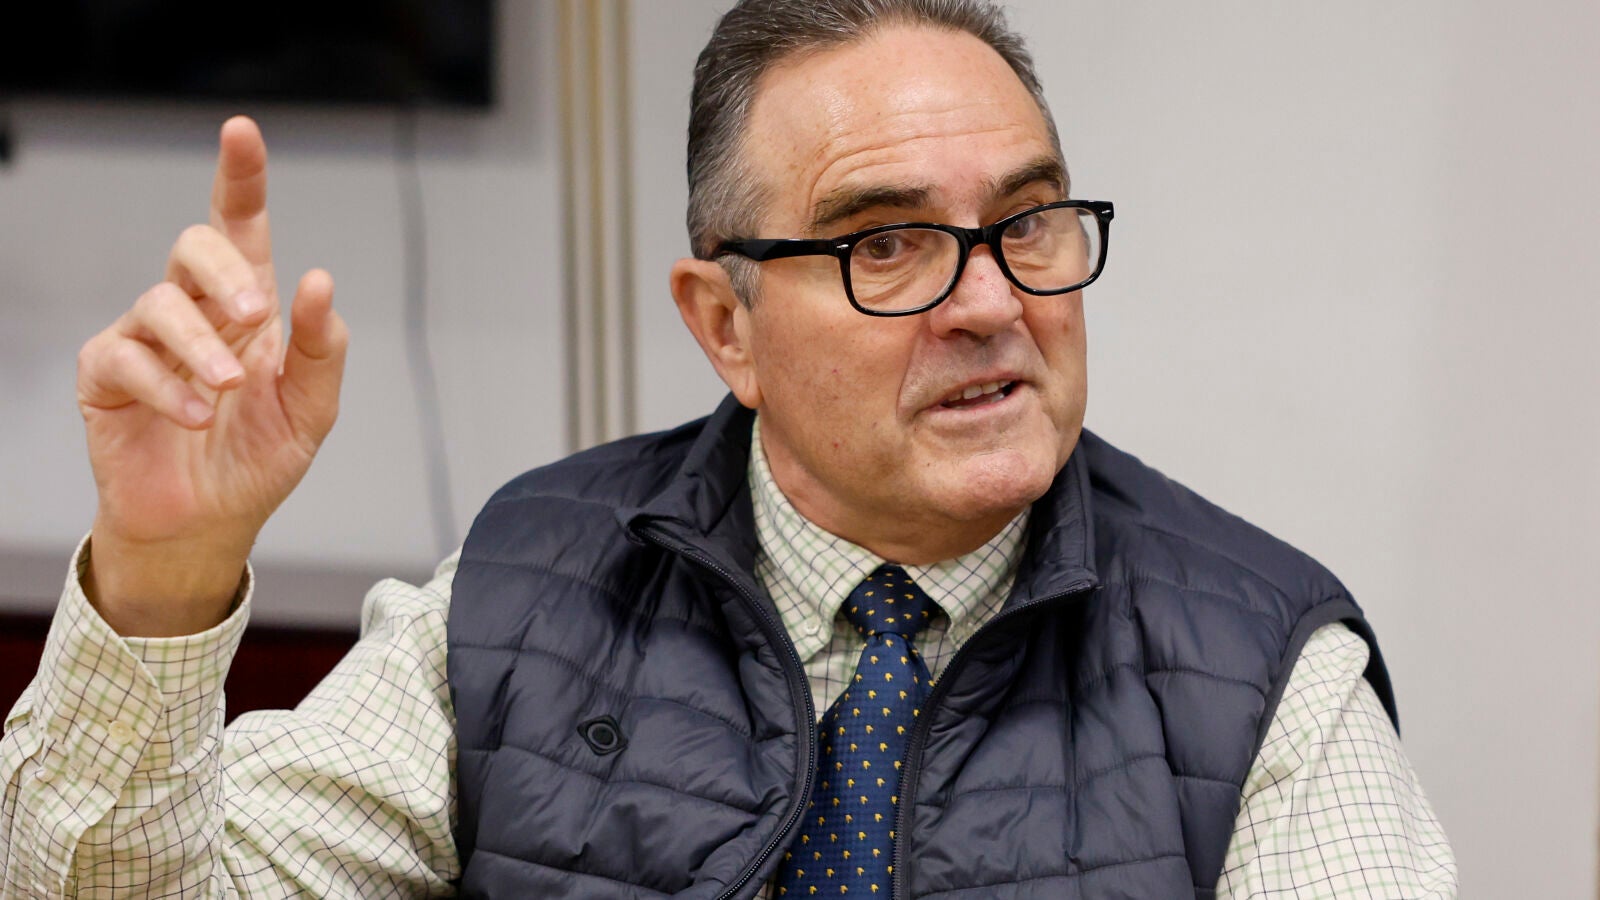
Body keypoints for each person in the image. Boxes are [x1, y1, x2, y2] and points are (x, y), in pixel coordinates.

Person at [1, 0, 1456, 896]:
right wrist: (166, 570)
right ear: (725, 325)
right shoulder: (523, 597)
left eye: (1026, 222)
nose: (994, 303)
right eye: (889, 245)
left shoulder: (1265, 674)